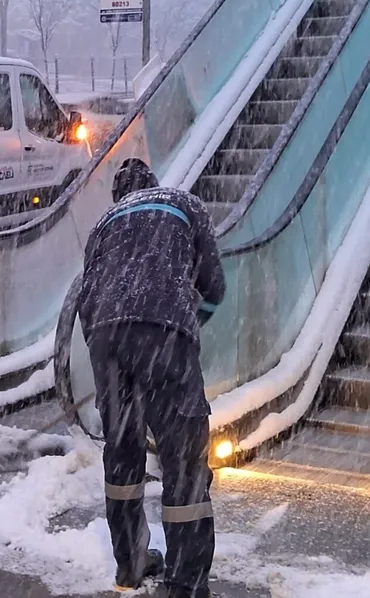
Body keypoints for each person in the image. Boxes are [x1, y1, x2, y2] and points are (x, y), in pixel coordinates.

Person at [76, 158, 226, 598]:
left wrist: (111, 355)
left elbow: (87, 300)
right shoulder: (184, 205)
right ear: (153, 184)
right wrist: (184, 324)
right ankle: (185, 581)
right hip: (164, 336)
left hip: (106, 338)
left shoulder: (104, 224)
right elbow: (214, 288)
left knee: (122, 456)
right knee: (183, 462)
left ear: (118, 196)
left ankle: (130, 563)